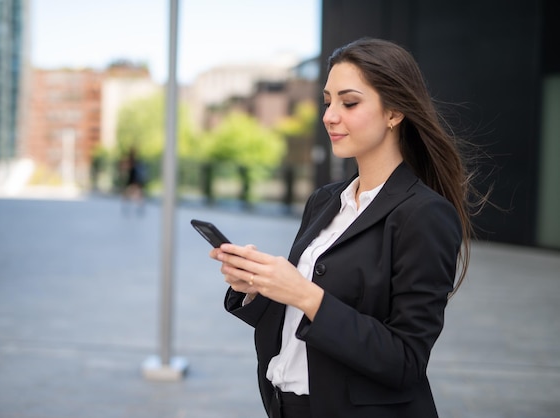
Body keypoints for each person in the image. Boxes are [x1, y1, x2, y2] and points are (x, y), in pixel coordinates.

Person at [209, 37, 478, 418]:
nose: (330, 116)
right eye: (327, 101)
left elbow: (405, 361)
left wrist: (305, 295)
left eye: (349, 102)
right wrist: (259, 287)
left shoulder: (424, 214)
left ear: (394, 112)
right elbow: (295, 320)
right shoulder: (325, 200)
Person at [121, 148, 147, 215]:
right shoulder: (134, 162)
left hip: (133, 181)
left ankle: (138, 208)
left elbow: (125, 168)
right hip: (133, 181)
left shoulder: (133, 162)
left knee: (135, 195)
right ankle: (137, 207)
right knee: (132, 195)